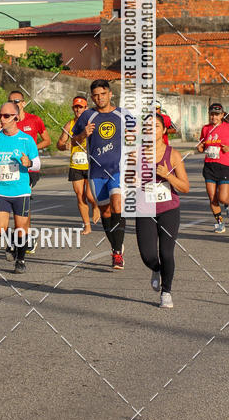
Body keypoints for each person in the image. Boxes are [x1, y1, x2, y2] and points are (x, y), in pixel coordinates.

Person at [72, 79, 134, 270]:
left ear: (110, 94)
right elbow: (74, 140)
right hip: (96, 171)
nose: (99, 98)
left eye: (103, 94)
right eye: (96, 95)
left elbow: (139, 135)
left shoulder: (123, 114)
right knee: (106, 212)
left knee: (117, 205)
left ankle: (116, 253)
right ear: (92, 97)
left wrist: (134, 139)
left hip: (118, 169)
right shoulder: (87, 116)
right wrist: (84, 134)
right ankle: (116, 246)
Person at [135, 114, 189, 308]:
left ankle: (166, 292)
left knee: (166, 253)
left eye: (156, 126)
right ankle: (156, 269)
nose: (151, 130)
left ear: (163, 130)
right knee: (147, 255)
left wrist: (168, 176)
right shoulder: (135, 154)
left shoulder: (172, 154)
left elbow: (185, 187)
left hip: (169, 209)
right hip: (144, 209)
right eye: (147, 127)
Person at [0, 101, 40, 273]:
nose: (2, 118)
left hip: (20, 190)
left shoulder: (26, 139)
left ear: (15, 117)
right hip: (0, 189)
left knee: (21, 228)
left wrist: (28, 162)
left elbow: (37, 164)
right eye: (0, 115)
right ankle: (11, 243)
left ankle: (21, 260)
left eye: (6, 115)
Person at [57, 95, 100, 234]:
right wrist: (65, 146)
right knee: (79, 195)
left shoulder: (92, 123)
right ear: (73, 108)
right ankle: (87, 225)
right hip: (76, 164)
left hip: (90, 164)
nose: (78, 109)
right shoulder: (69, 125)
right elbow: (59, 144)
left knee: (90, 195)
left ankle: (95, 206)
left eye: (81, 107)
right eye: (76, 107)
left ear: (86, 108)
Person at [8, 90, 51, 190]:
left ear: (23, 103)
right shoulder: (6, 121)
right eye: (10, 102)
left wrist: (32, 148)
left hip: (29, 166)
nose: (13, 104)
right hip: (11, 164)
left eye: (16, 101)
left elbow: (47, 141)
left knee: (23, 195)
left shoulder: (34, 120)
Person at [197, 102, 229, 233]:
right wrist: (200, 147)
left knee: (222, 198)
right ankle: (220, 223)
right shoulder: (205, 128)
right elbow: (202, 145)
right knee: (212, 197)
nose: (214, 117)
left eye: (217, 115)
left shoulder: (227, 127)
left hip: (224, 166)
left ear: (222, 115)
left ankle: (226, 205)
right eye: (212, 115)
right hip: (209, 166)